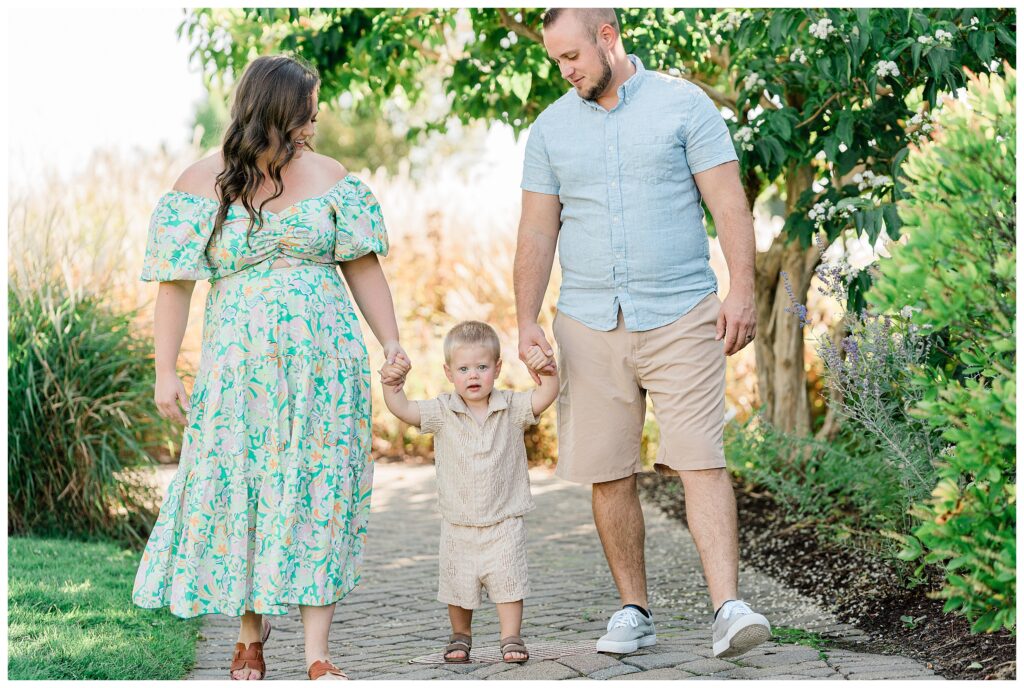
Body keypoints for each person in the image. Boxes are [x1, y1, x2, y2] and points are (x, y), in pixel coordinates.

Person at [132, 54, 411, 681]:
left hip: (327, 368)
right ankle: (248, 637)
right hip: (239, 371)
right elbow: (174, 286)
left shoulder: (333, 177)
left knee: (320, 491)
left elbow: (363, 267)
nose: (315, 118)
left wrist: (391, 342)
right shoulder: (199, 182)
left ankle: (317, 655)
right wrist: (165, 370)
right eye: (307, 107)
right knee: (246, 487)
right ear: (278, 109)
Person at [514, 8, 772, 659]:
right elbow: (538, 231)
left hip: (683, 316)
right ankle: (634, 609)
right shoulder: (549, 131)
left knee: (700, 460)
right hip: (588, 323)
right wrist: (524, 319)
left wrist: (741, 288)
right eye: (556, 61)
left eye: (572, 56)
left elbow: (728, 201)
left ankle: (727, 608)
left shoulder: (684, 106)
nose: (565, 70)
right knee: (608, 471)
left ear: (608, 38)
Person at [378, 321, 559, 664]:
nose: (472, 375)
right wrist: (392, 385)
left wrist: (548, 373)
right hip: (458, 523)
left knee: (509, 580)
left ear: (497, 368)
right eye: (463, 369)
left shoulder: (511, 407)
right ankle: (460, 634)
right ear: (449, 372)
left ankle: (510, 636)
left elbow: (544, 397)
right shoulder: (442, 411)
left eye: (481, 367)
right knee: (458, 584)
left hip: (504, 519)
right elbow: (403, 409)